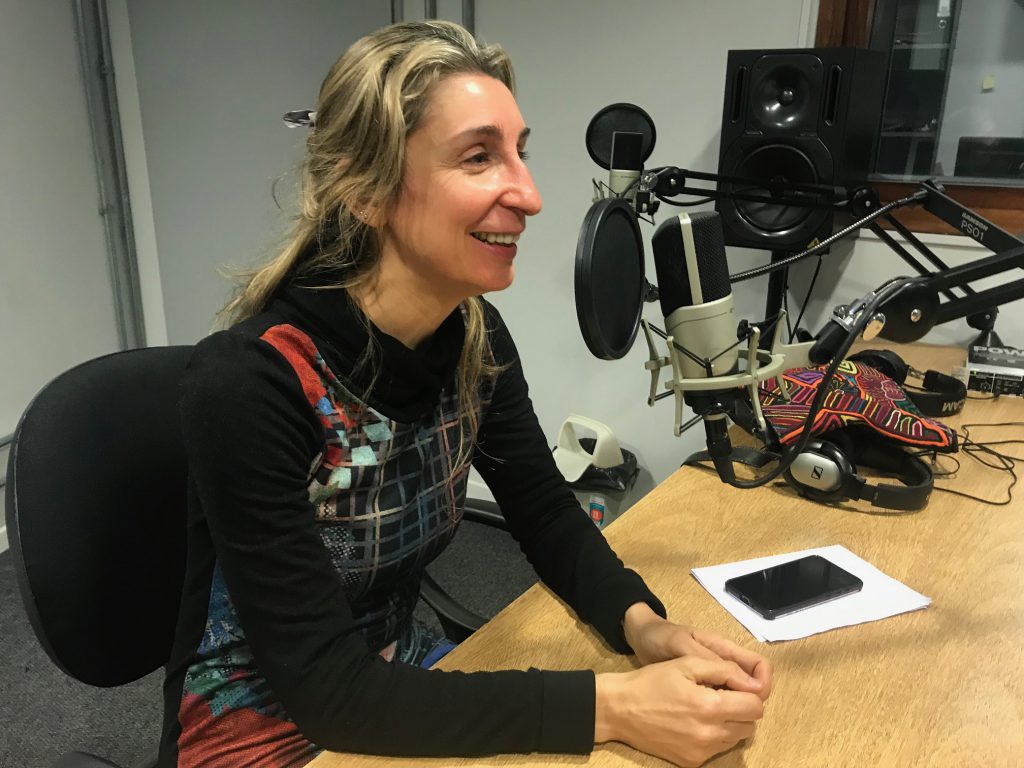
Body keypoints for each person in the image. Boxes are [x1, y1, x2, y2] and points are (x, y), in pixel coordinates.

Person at [161, 20, 772, 768]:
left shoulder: (474, 336)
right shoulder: (250, 383)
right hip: (260, 729)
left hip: (397, 679)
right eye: (479, 157)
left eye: (520, 153)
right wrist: (611, 706)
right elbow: (329, 693)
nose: (530, 196)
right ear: (364, 188)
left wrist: (644, 626)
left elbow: (545, 512)